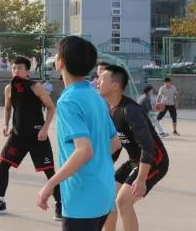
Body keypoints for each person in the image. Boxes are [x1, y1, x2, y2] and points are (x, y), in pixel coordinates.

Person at [36, 36, 121, 231]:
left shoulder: (68, 101)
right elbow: (115, 141)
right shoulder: (96, 97)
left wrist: (50, 184)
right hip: (103, 191)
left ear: (60, 63)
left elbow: (84, 151)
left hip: (82, 197)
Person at [0, 56, 61, 220]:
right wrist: (5, 124)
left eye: (19, 68)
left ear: (27, 71)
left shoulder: (36, 87)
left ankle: (60, 204)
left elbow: (50, 107)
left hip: (37, 136)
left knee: (49, 171)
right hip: (18, 136)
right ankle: (1, 202)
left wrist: (45, 128)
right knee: (3, 164)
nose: (15, 71)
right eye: (13, 68)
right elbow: (7, 108)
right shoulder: (9, 89)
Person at [98, 65, 169, 231]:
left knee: (123, 201)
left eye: (101, 79)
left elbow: (148, 147)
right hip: (134, 161)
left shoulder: (130, 110)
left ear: (115, 85)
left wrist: (141, 180)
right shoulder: (111, 109)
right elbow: (118, 142)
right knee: (107, 197)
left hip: (154, 161)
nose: (97, 82)